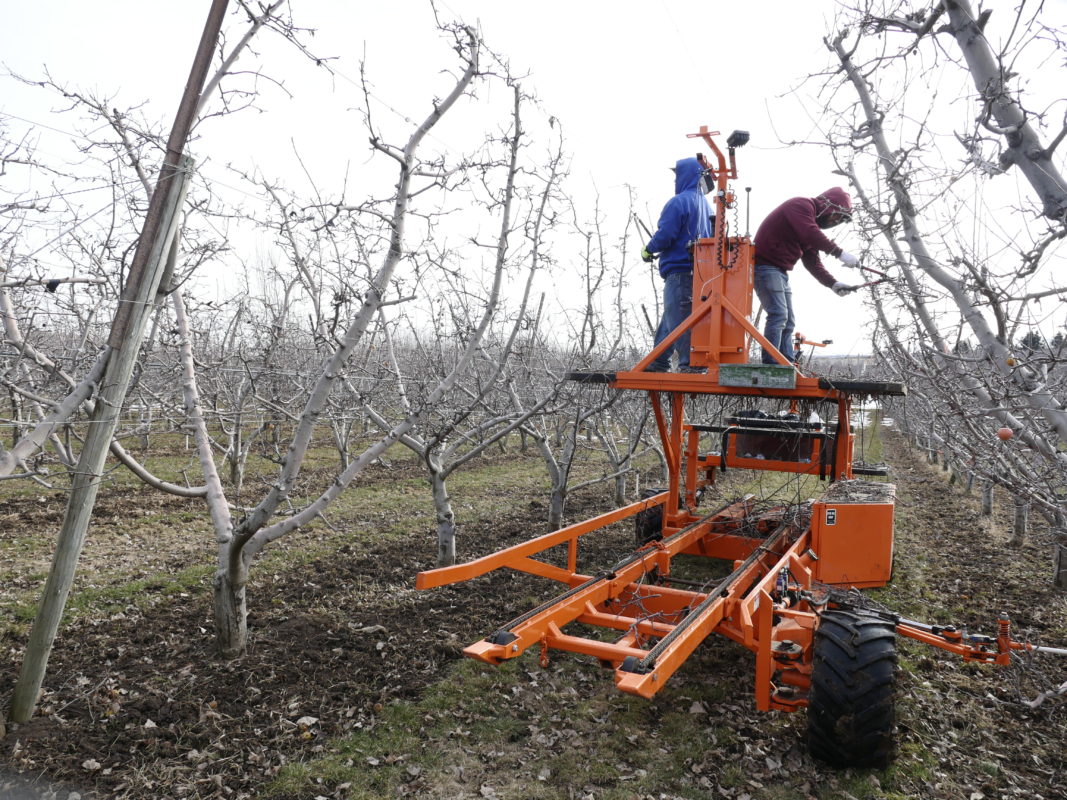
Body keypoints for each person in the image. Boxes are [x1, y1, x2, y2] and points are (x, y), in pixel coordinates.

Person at [751, 187, 859, 365]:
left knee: (788, 320)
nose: (835, 221)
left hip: (778, 271)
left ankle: (786, 362)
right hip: (764, 266)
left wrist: (833, 284)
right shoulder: (801, 205)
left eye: (839, 221)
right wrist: (840, 253)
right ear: (828, 205)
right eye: (837, 216)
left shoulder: (809, 225)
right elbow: (810, 233)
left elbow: (813, 262)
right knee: (778, 314)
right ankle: (771, 363)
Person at [641, 157, 714, 372]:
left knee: (680, 321)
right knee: (673, 317)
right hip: (701, 275)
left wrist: (649, 249)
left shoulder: (679, 202)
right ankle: (658, 361)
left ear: (684, 176)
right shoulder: (708, 206)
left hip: (680, 271)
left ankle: (690, 364)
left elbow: (666, 234)